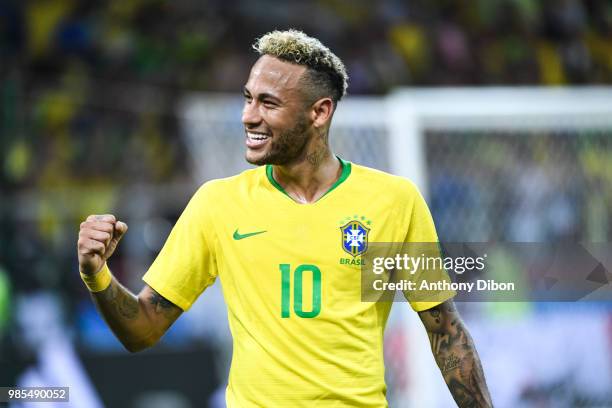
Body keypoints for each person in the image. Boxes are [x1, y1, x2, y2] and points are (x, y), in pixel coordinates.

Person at [77, 29, 493, 407]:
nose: (248, 116)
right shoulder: (218, 203)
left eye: (268, 103)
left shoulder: (392, 201)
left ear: (319, 112)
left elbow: (445, 332)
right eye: (248, 98)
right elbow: (142, 330)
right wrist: (97, 274)